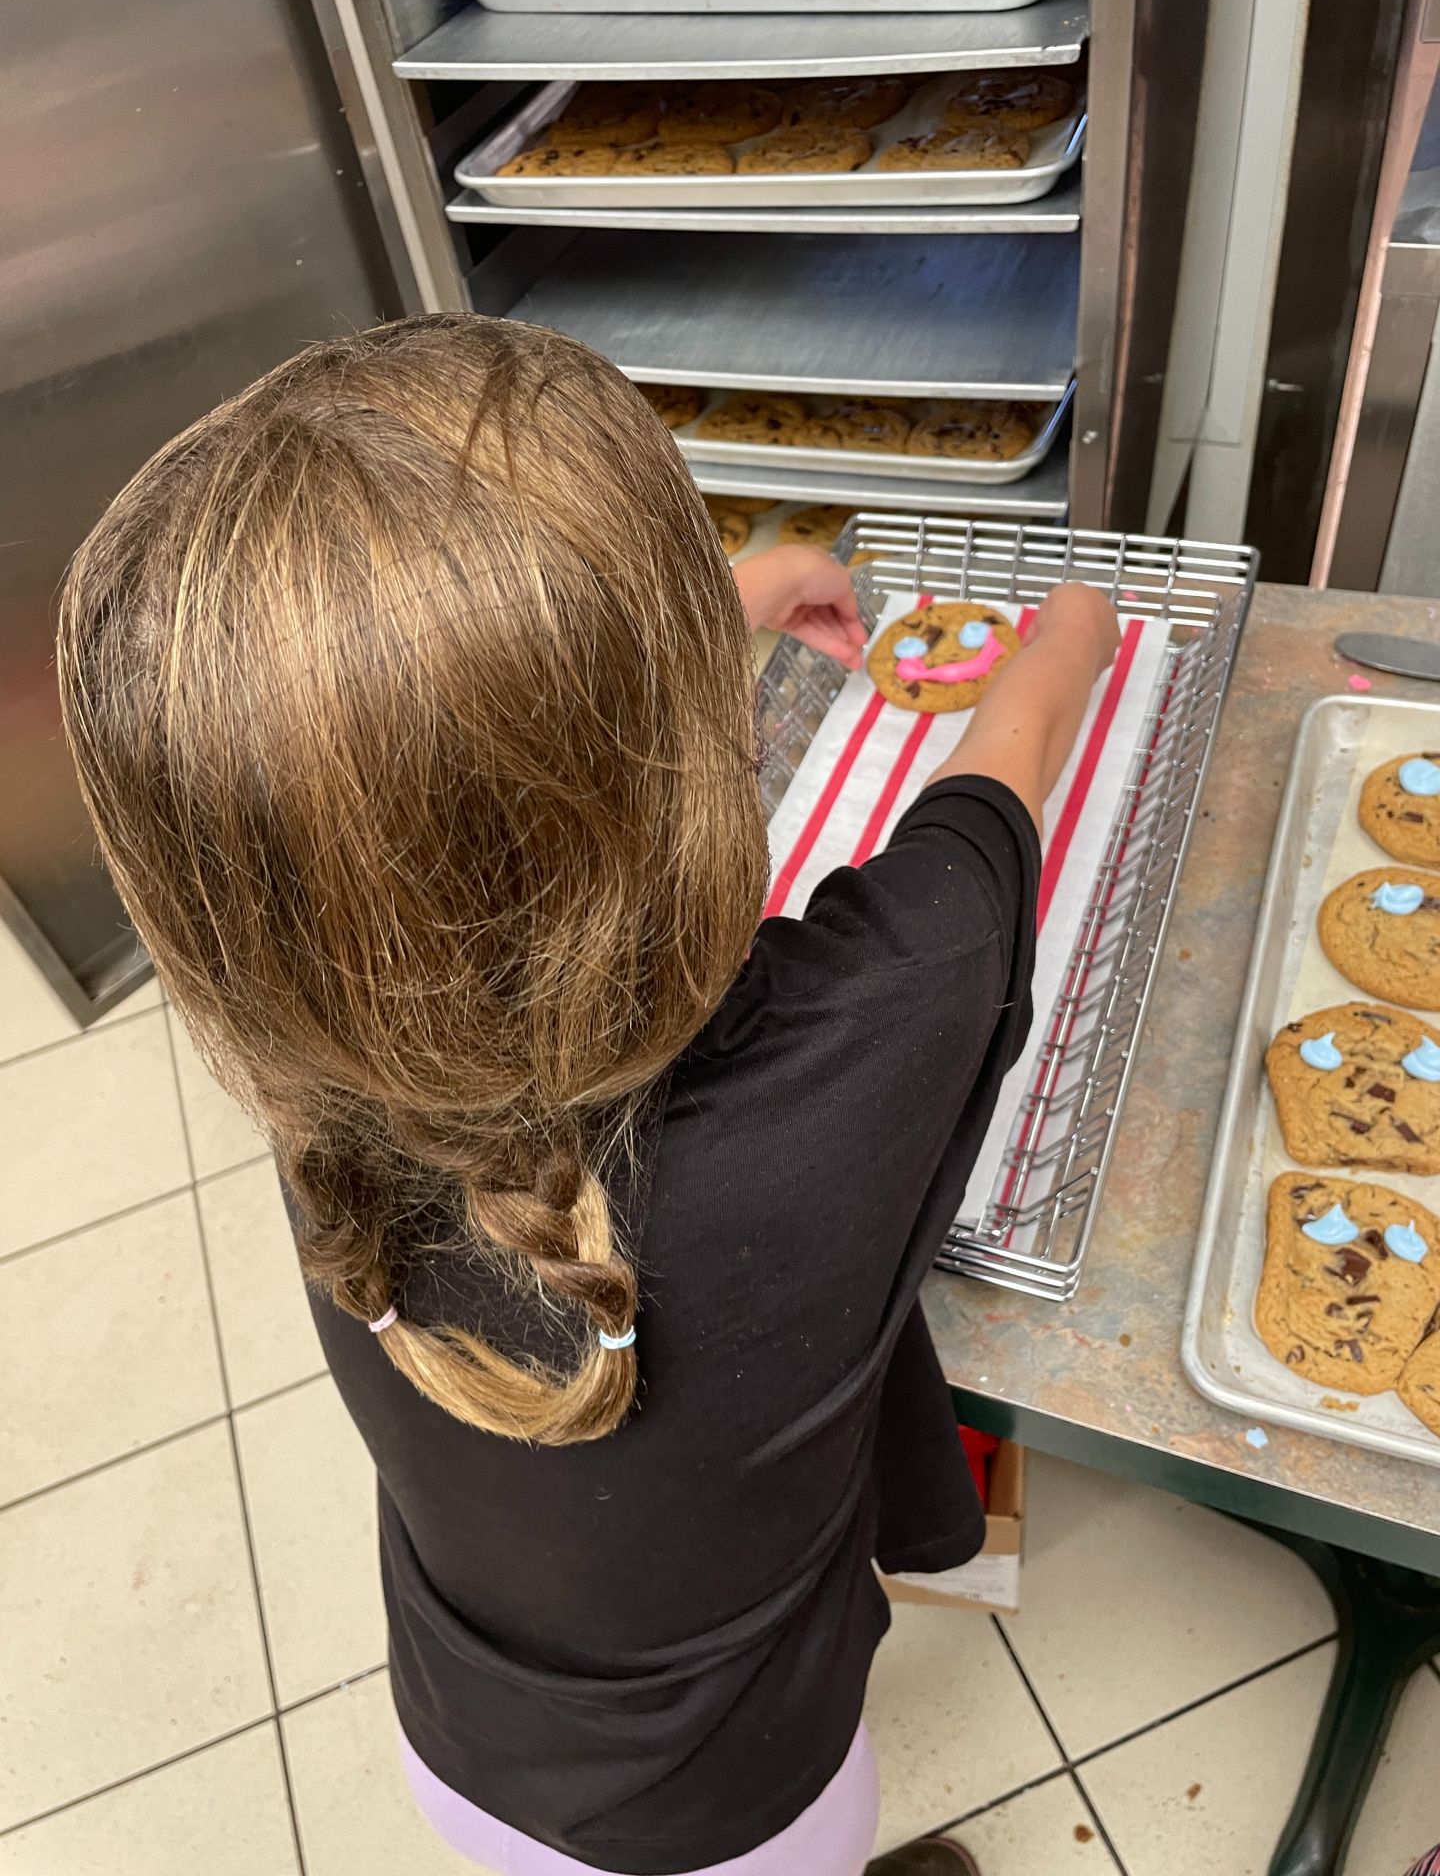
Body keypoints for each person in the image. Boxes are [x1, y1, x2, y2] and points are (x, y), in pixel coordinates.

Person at [57, 315, 1119, 1876]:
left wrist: (726, 608)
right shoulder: (871, 1028)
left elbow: (432, 800)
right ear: (691, 773)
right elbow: (997, 779)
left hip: (468, 1754)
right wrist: (1079, 621)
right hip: (749, 1816)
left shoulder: (322, 1097)